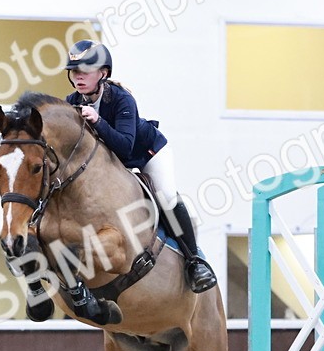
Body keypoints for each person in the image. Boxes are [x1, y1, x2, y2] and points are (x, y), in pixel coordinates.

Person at [63, 39, 216, 294]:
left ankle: (195, 262)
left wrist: (98, 121)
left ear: (103, 73)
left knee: (166, 197)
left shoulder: (122, 99)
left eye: (86, 71)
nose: (79, 77)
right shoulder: (71, 101)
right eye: (74, 71)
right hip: (113, 166)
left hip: (147, 154)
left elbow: (124, 147)